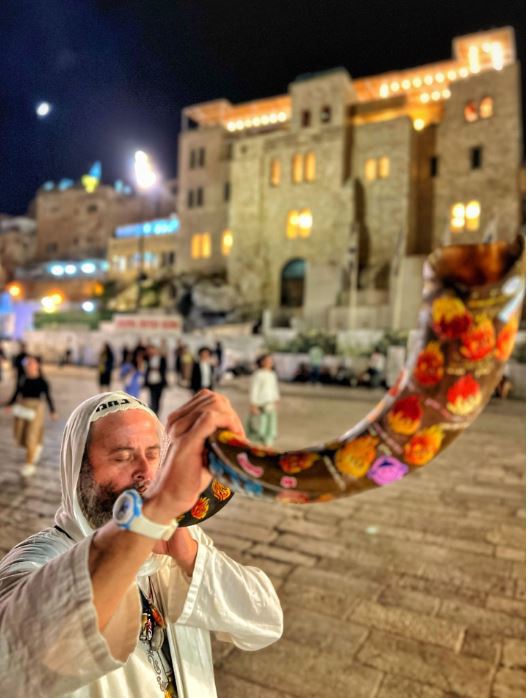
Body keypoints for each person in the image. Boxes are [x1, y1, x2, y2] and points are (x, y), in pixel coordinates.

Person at [0, 390, 283, 696]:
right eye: (122, 457)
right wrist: (155, 510)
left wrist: (190, 557)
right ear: (78, 470)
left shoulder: (176, 547)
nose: (146, 473)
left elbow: (264, 624)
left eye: (152, 453)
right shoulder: (42, 558)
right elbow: (14, 658)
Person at [4, 354, 58, 477]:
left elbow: (48, 397)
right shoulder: (22, 379)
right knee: (19, 434)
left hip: (37, 408)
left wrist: (52, 411)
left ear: (38, 365)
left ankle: (29, 464)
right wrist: (9, 405)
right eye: (28, 363)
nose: (29, 365)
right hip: (22, 407)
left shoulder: (43, 381)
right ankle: (37, 445)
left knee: (31, 434)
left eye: (32, 363)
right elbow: (16, 393)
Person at [246, 353, 280, 446]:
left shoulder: (272, 374)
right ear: (261, 362)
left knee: (270, 427)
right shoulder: (258, 374)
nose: (269, 362)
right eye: (266, 360)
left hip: (270, 404)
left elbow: (274, 388)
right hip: (260, 405)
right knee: (258, 427)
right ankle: (256, 446)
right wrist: (253, 404)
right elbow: (254, 389)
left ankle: (268, 445)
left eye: (270, 361)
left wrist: (276, 400)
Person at [144, 343, 168, 416]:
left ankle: (157, 412)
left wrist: (157, 369)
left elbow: (164, 369)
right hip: (151, 381)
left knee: (158, 398)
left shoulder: (162, 359)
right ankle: (153, 413)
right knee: (152, 398)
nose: (150, 352)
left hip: (160, 381)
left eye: (152, 350)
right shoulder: (147, 359)